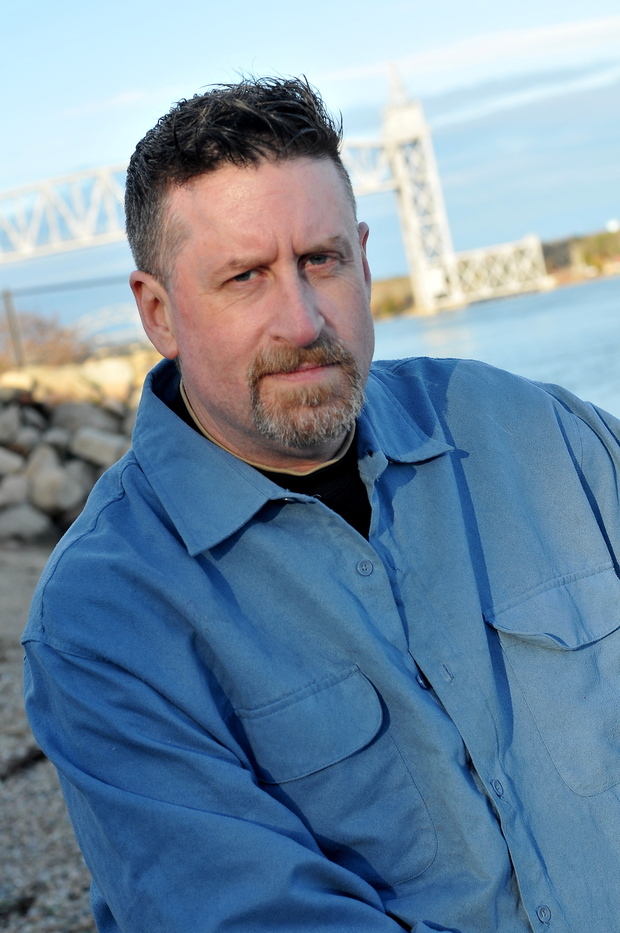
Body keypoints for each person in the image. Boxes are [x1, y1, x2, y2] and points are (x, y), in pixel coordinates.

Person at [22, 76, 620, 933]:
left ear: (364, 262)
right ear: (158, 312)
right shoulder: (105, 621)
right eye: (245, 277)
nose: (302, 321)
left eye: (320, 261)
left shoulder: (543, 434)